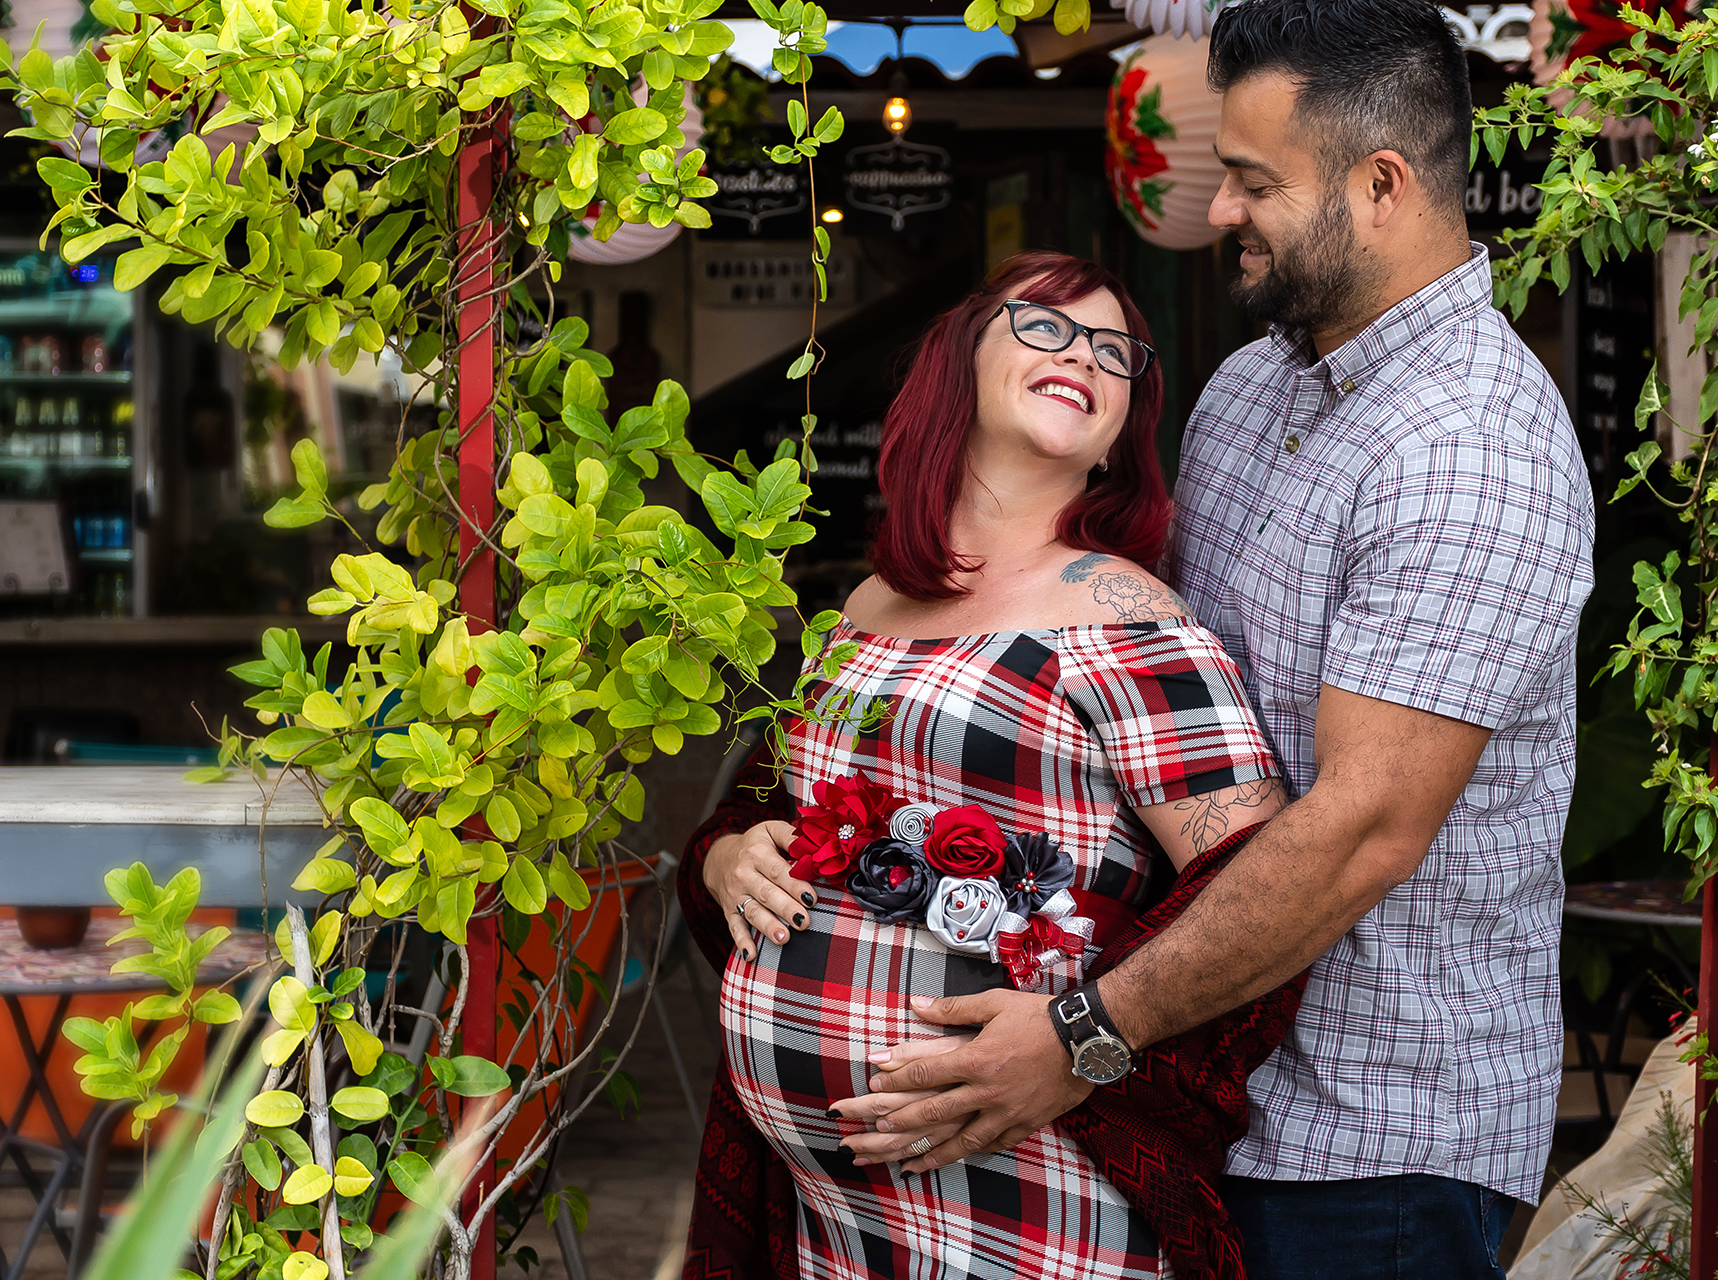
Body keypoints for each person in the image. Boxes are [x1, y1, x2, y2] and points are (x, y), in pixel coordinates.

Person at [849, 2, 1596, 1277]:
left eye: (1253, 182)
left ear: (1380, 186)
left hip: (1372, 1142)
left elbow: (1362, 828)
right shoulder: (1252, 387)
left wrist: (1080, 1033)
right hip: (1191, 1091)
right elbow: (1120, 703)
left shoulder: (1477, 448)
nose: (1215, 214)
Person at [677, 250, 1307, 1279]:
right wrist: (724, 855)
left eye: (1117, 352)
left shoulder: (1125, 618)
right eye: (1048, 326)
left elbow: (1265, 890)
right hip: (835, 1219)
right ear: (959, 365)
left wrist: (1083, 1039)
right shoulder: (867, 607)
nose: (1087, 356)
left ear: (1114, 442)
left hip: (1024, 1198)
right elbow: (766, 803)